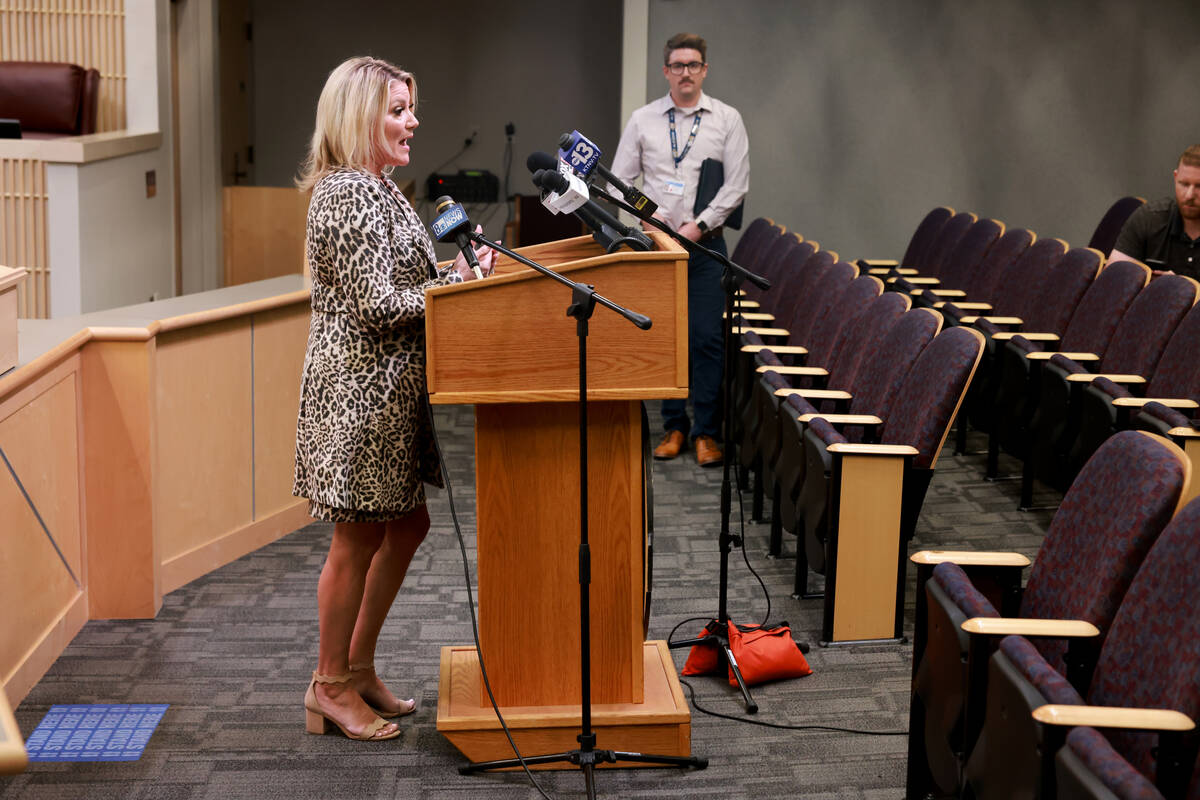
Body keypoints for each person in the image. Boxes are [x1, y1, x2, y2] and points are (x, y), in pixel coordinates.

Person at [292, 56, 496, 742]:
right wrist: (455, 288)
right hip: (357, 396)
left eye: (411, 107)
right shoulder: (346, 193)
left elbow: (402, 280)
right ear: (359, 117)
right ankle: (328, 685)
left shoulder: (380, 188)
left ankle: (356, 664)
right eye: (399, 110)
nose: (413, 121)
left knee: (406, 526)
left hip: (390, 394)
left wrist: (456, 271)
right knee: (357, 538)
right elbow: (379, 305)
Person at [611, 32, 750, 468]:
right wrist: (648, 219)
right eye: (678, 65)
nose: (685, 72)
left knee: (708, 340)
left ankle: (707, 432)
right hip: (657, 248)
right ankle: (675, 427)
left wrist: (699, 225)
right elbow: (620, 179)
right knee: (667, 341)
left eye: (693, 65)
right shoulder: (643, 119)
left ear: (704, 70)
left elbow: (737, 185)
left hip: (707, 248)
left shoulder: (727, 119)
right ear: (666, 71)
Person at [1110, 144, 1200, 280]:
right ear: (1175, 177)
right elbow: (1112, 279)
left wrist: (1183, 290)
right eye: (1184, 184)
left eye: (1199, 186)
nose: (1189, 195)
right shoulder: (1149, 218)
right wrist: (1154, 288)